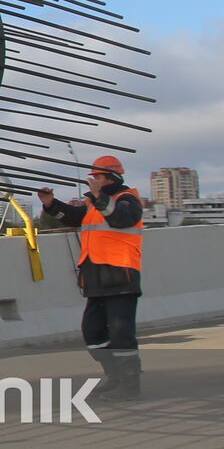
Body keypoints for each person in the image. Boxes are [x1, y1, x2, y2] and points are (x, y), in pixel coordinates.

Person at [37, 155, 144, 402]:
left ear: (112, 178)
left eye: (98, 177)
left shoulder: (128, 199)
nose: (93, 182)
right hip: (96, 277)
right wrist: (52, 204)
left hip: (121, 276)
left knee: (121, 334)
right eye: (93, 178)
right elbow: (74, 216)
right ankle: (115, 376)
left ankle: (130, 385)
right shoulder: (93, 203)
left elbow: (120, 218)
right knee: (93, 332)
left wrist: (98, 197)